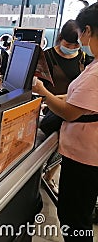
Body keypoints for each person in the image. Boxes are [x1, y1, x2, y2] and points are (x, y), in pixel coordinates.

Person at [32, 2, 98, 242]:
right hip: (86, 153)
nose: (77, 42)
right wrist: (51, 99)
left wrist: (43, 93)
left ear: (88, 31)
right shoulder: (94, 64)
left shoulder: (95, 68)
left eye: (80, 35)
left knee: (74, 217)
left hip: (86, 157)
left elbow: (71, 112)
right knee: (77, 214)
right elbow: (77, 99)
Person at [39, 20, 88, 194]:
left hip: (72, 109)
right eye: (69, 43)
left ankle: (49, 175)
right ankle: (43, 174)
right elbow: (38, 87)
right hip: (49, 108)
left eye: (76, 44)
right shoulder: (47, 56)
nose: (73, 47)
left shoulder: (84, 58)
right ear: (60, 38)